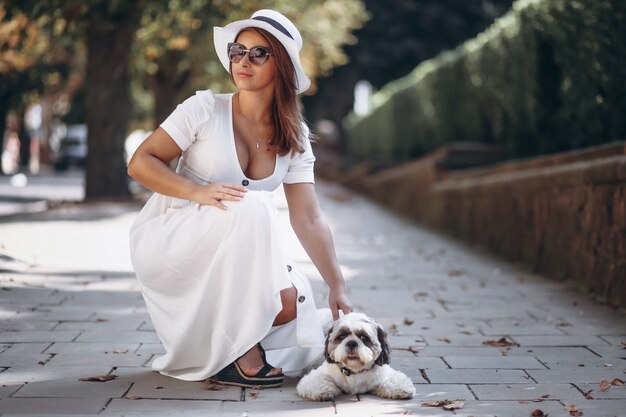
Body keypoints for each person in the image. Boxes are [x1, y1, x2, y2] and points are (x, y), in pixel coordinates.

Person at [127, 9, 354, 388]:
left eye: (257, 53)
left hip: (234, 253)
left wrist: (337, 285)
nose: (242, 61)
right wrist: (198, 191)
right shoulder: (203, 109)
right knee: (250, 203)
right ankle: (240, 350)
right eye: (237, 51)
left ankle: (219, 342)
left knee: (290, 305)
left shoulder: (294, 138)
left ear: (280, 64)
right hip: (172, 240)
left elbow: (309, 217)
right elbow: (140, 163)